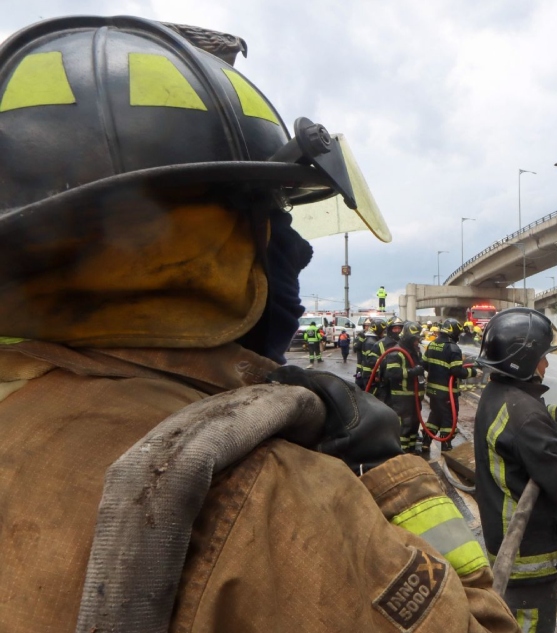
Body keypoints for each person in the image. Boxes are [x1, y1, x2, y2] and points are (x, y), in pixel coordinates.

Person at [0, 17, 515, 633]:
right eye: (274, 215)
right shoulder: (273, 499)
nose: (293, 249)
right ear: (209, 243)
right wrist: (394, 481)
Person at [473, 308, 557, 632]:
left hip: (507, 544)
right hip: (527, 557)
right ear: (523, 361)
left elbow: (534, 415)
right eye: (542, 357)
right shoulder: (525, 418)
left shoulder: (498, 397)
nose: (547, 364)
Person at [422, 319, 477, 449]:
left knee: (435, 414)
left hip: (432, 390)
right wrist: (472, 372)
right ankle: (446, 445)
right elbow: (457, 370)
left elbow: (424, 364)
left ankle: (426, 441)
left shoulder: (432, 344)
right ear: (453, 332)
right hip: (447, 392)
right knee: (449, 418)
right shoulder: (453, 348)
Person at [374, 319, 426, 454]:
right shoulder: (397, 352)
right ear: (408, 337)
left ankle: (411, 447)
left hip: (414, 395)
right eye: (415, 339)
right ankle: (401, 451)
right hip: (402, 396)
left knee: (415, 423)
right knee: (405, 423)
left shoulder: (415, 351)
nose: (417, 341)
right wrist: (413, 372)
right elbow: (392, 373)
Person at [354, 318, 381, 389]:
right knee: (358, 385)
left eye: (369, 326)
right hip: (360, 366)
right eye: (366, 326)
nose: (368, 327)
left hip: (366, 367)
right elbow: (355, 347)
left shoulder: (374, 337)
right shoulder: (361, 335)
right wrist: (362, 338)